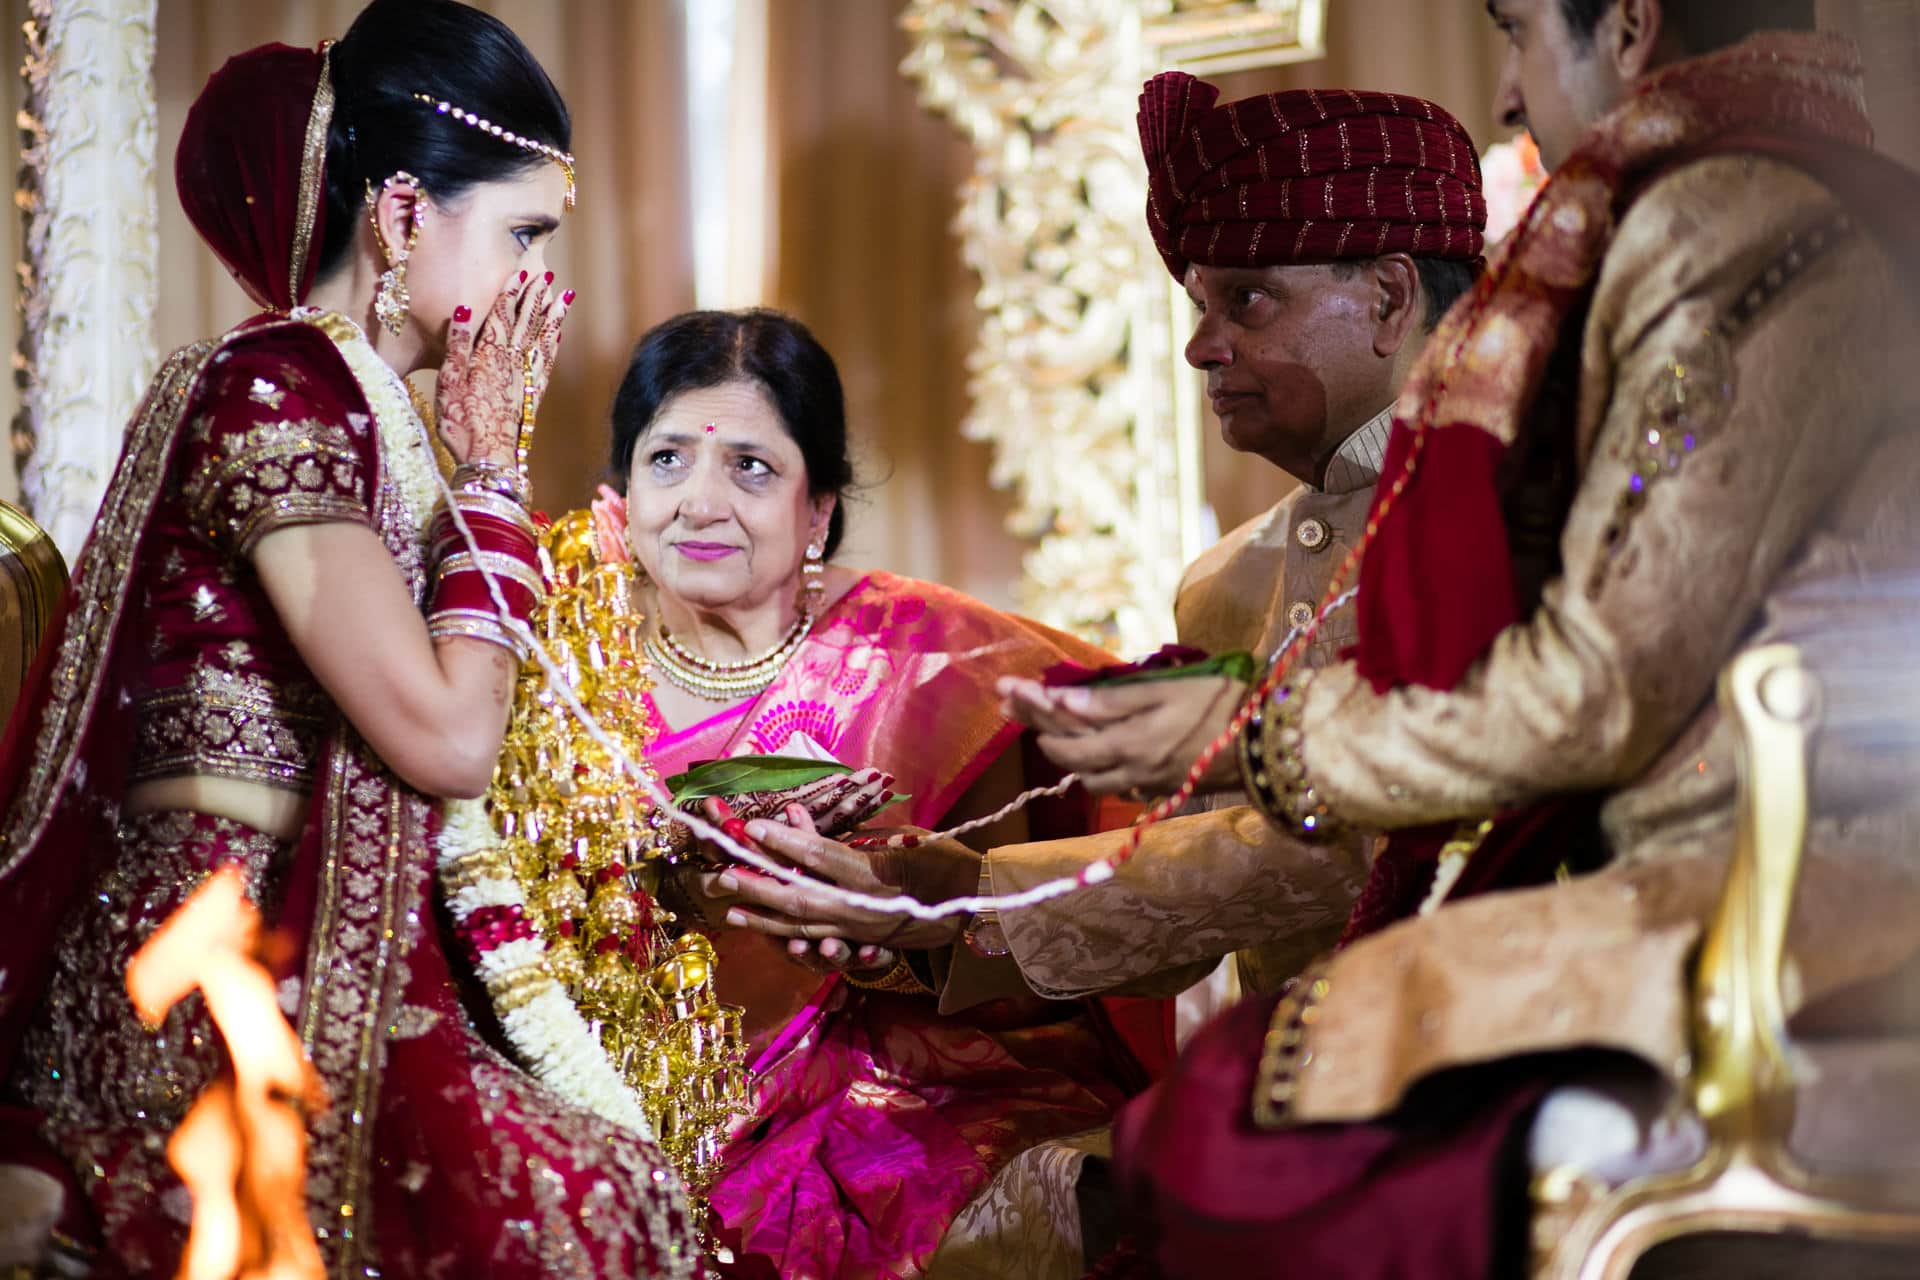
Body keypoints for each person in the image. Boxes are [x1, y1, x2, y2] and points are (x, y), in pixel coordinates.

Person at [998, 1, 1920, 1275]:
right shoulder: (1839, 191)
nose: (1507, 93)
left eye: (1520, 31)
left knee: (1230, 1123)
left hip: (1787, 906)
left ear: (1634, 29)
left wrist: (1255, 736)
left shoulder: (1724, 219)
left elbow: (1599, 689)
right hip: (1749, 861)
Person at [690, 83, 1490, 1278]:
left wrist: (959, 903)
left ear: (1385, 295)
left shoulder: (1527, 510)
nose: (1201, 344)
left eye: (1246, 300)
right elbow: (1201, 887)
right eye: (1197, 303)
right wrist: (945, 887)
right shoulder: (1234, 583)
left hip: (1503, 1079)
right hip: (1297, 1093)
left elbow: (1326, 860)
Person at [0, 3, 701, 1276]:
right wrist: (491, 474)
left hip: (304, 941)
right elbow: (445, 735)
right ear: (404, 215)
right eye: (525, 233)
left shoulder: (363, 412)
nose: (542, 285)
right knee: (583, 1205)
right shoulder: (277, 382)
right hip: (207, 972)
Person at [592, 308, 1153, 1280]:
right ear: (623, 486)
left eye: (752, 468)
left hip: (895, 1073)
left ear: (818, 511)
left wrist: (879, 908)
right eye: (668, 459)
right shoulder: (557, 666)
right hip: (608, 1078)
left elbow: (1034, 927)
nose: (700, 501)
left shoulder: (931, 657)